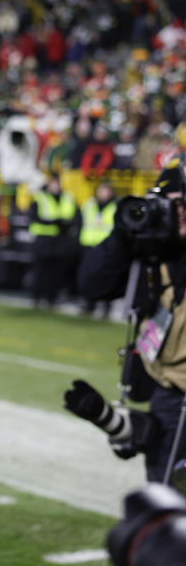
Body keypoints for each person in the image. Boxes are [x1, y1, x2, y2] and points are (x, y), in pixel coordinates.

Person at [74, 161, 186, 484]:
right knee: (165, 495)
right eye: (169, 203)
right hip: (167, 393)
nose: (175, 211)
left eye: (183, 203)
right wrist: (123, 238)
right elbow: (91, 286)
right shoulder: (154, 254)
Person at [28, 172, 78, 307]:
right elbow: (34, 217)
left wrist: (63, 224)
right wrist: (54, 222)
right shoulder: (40, 197)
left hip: (61, 239)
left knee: (56, 271)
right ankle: (37, 297)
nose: (55, 186)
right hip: (44, 239)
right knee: (41, 270)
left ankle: (52, 298)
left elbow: (73, 217)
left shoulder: (68, 198)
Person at [78, 179, 117, 317]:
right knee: (88, 276)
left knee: (106, 278)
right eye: (101, 190)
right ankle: (88, 304)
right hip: (89, 245)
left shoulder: (115, 207)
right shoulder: (89, 205)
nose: (103, 193)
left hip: (106, 247)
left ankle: (106, 306)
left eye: (106, 190)